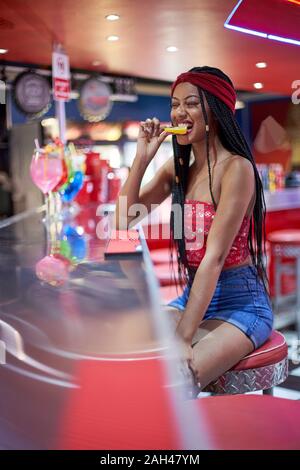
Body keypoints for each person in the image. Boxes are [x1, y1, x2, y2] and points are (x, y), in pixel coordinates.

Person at [115, 66, 273, 393]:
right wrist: (142, 159)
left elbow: (213, 260)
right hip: (192, 298)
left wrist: (183, 340)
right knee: (128, 356)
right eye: (174, 104)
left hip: (241, 303)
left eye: (191, 103)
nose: (178, 112)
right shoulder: (179, 169)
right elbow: (122, 220)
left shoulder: (237, 169)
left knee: (174, 383)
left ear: (216, 110)